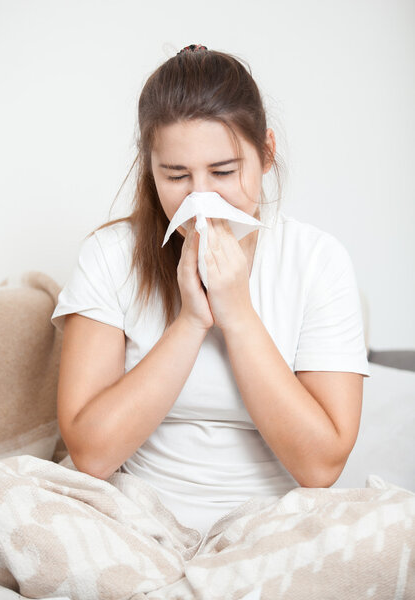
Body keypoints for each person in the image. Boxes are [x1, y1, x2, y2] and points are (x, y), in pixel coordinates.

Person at [50, 43, 371, 536]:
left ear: (266, 153)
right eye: (176, 175)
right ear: (149, 168)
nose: (200, 198)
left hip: (274, 530)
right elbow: (90, 453)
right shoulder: (109, 254)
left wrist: (237, 313)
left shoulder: (317, 260)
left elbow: (322, 466)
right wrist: (191, 321)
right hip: (135, 523)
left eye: (223, 172)